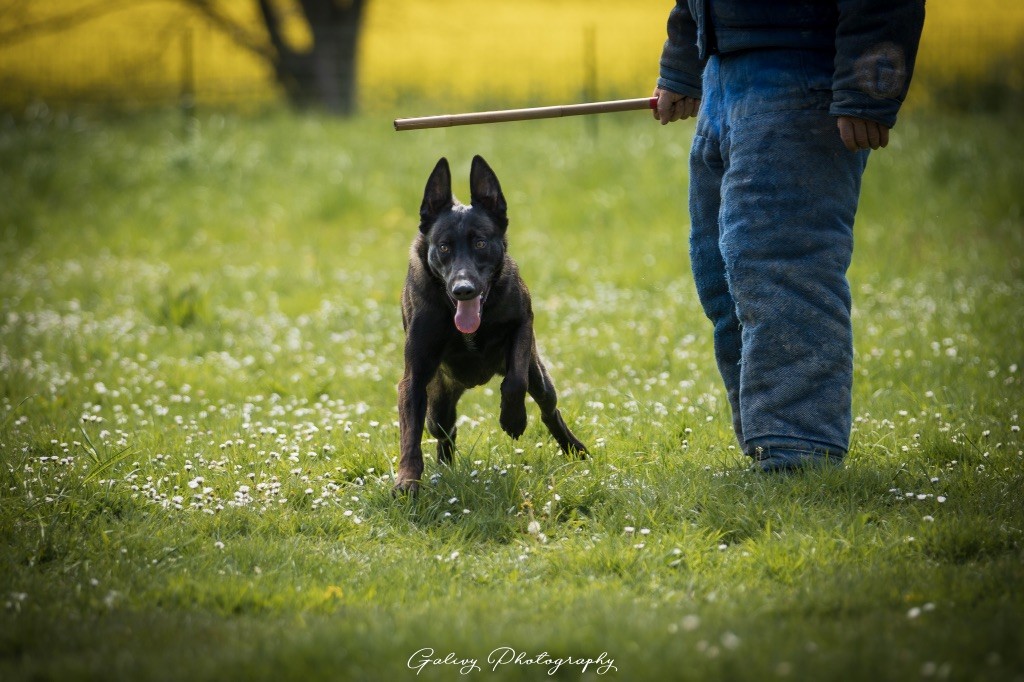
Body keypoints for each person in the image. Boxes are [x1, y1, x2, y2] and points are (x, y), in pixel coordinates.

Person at [653, 1, 926, 472]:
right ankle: (769, 443)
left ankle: (799, 452)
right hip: (722, 71)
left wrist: (867, 89)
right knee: (719, 272)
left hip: (802, 68)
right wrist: (682, 61)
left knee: (781, 265)